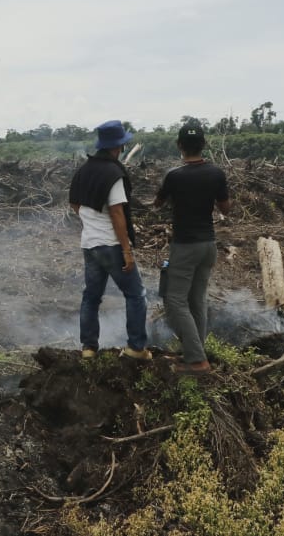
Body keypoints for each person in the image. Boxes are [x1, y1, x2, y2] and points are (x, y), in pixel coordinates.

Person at [154, 123, 231, 374]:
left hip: (185, 245)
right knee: (197, 299)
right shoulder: (217, 174)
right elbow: (225, 209)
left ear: (179, 145)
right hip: (208, 245)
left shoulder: (174, 175)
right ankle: (194, 351)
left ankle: (197, 360)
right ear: (204, 144)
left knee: (175, 300)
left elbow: (157, 203)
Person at [68, 120, 149, 360]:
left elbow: (74, 202)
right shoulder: (113, 173)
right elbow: (116, 213)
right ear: (119, 147)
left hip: (89, 244)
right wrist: (126, 250)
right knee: (136, 294)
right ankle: (136, 347)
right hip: (111, 245)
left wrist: (89, 220)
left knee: (91, 297)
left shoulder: (84, 170)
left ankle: (89, 348)